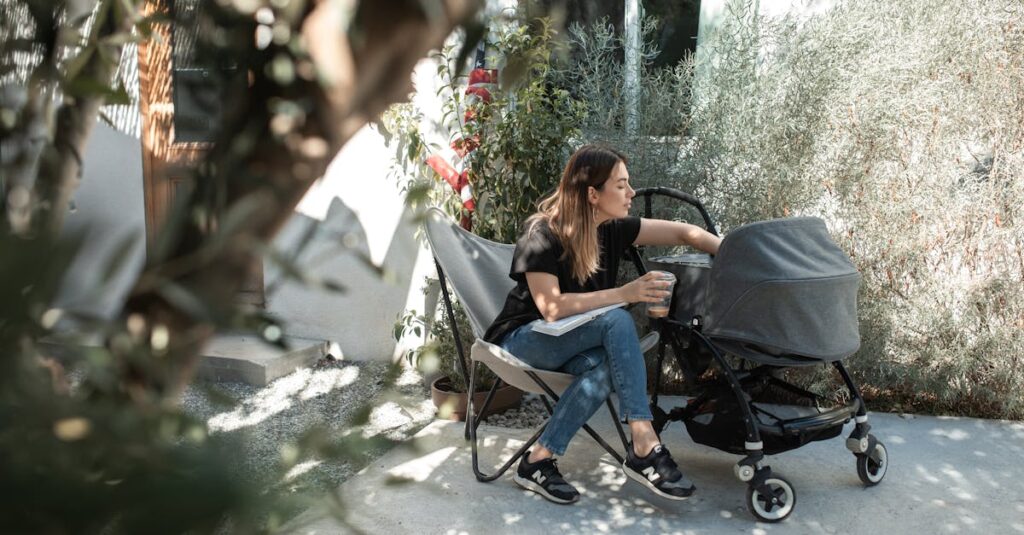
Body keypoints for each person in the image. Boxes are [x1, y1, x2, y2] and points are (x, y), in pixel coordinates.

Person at [482, 144, 722, 505]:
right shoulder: (541, 233)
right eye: (622, 185)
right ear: (593, 194)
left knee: (610, 368)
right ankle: (644, 442)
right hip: (523, 341)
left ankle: (538, 460)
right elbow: (551, 308)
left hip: (572, 345)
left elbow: (685, 234)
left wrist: (738, 253)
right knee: (616, 319)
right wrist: (624, 293)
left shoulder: (611, 230)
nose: (632, 192)